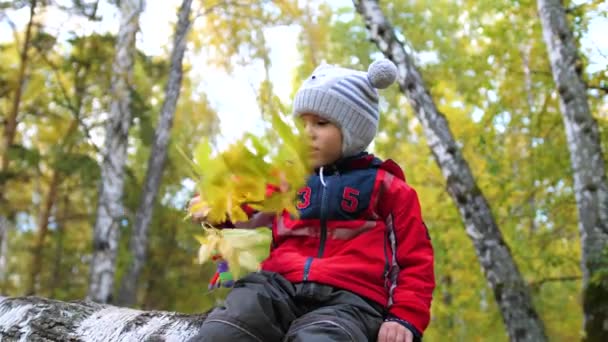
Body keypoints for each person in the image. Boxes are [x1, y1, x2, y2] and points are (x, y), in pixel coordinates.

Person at [189, 59, 435, 342]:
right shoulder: (286, 178)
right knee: (229, 325)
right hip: (277, 285)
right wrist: (215, 205)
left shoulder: (387, 187)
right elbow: (247, 205)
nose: (308, 133)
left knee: (324, 338)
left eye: (321, 123)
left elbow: (415, 260)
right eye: (302, 124)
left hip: (351, 300)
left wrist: (404, 316)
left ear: (353, 130)